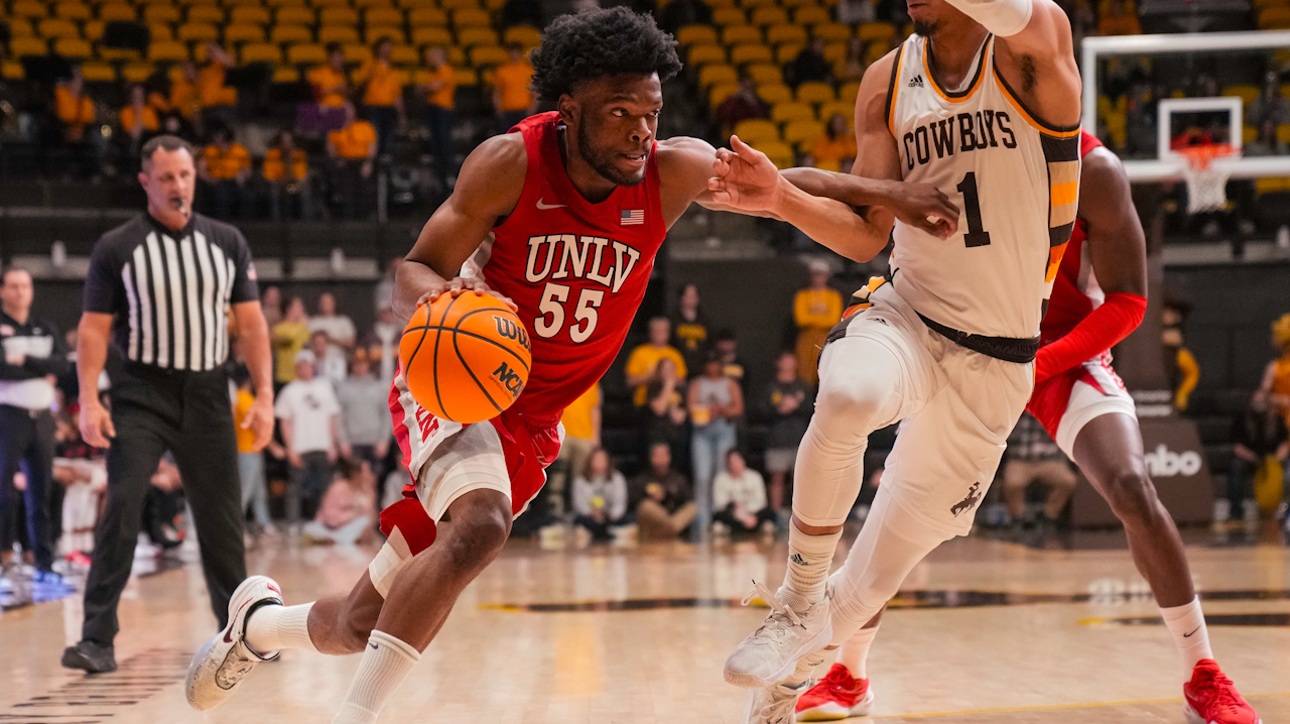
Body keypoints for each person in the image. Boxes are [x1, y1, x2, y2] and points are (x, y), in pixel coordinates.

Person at [184, 9, 941, 723]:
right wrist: (455, 306)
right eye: (620, 113)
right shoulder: (510, 163)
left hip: (534, 418)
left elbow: (786, 183)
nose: (641, 132)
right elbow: (413, 267)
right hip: (457, 379)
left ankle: (258, 625)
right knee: (479, 528)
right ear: (570, 106)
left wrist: (893, 195)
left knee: (356, 622)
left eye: (651, 114)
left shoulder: (669, 171)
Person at [799, 135, 1263, 723]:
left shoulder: (1093, 168)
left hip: (1054, 353)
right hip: (960, 340)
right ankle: (850, 673)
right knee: (894, 506)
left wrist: (1040, 364)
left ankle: (1203, 670)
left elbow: (1128, 301)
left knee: (1131, 485)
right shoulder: (959, 140)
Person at [716, 0, 1091, 715]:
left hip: (999, 358)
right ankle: (795, 601)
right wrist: (782, 199)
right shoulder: (887, 80)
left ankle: (791, 681)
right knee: (851, 391)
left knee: (869, 585)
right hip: (910, 314)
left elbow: (1027, 18)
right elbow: (864, 236)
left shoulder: (1032, 45)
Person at [65, 135, 275, 674]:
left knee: (221, 520)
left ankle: (241, 634)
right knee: (123, 503)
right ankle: (96, 638)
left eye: (184, 175)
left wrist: (266, 396)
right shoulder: (118, 246)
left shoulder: (227, 241)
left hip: (208, 392)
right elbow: (92, 330)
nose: (177, 185)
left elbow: (251, 325)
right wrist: (89, 400)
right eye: (165, 178)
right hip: (140, 393)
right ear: (145, 183)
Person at [0, 267, 71, 589]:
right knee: (3, 491)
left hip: (41, 418)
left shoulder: (45, 326)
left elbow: (62, 366)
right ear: (3, 291)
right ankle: (4, 558)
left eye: (25, 286)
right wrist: (41, 369)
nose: (19, 292)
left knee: (41, 493)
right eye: (13, 286)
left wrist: (23, 359)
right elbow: (3, 369)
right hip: (8, 415)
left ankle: (43, 561)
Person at [275, 349, 345, 527]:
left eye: (308, 365)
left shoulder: (324, 386)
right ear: (296, 368)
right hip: (300, 446)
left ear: (313, 367)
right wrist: (290, 448)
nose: (305, 369)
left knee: (325, 487)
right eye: (301, 365)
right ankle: (293, 524)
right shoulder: (289, 390)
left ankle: (324, 521)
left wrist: (333, 444)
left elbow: (331, 418)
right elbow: (285, 422)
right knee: (295, 488)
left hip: (322, 444)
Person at [688, 350, 743, 540]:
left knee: (721, 474)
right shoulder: (697, 383)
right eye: (709, 363)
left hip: (723, 430)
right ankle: (702, 520)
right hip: (702, 432)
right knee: (702, 476)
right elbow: (691, 407)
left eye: (715, 363)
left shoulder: (730, 383)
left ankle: (720, 518)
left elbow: (738, 408)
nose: (712, 367)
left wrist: (721, 409)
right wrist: (706, 411)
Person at [1001, 412, 1076, 535]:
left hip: (1049, 461)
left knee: (1068, 481)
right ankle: (1017, 518)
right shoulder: (1017, 411)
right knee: (1012, 483)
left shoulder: (1055, 412)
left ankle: (1048, 516)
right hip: (1020, 460)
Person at [1225, 392, 1287, 529]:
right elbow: (1236, 446)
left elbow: (1285, 443)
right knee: (1236, 467)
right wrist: (1252, 457)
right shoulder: (1241, 419)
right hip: (1250, 459)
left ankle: (1285, 510)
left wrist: (1276, 459)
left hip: (1272, 460)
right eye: (1256, 401)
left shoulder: (1277, 419)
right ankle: (1236, 511)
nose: (1259, 405)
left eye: (1262, 401)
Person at [764, 351, 811, 513]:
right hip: (778, 437)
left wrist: (795, 406)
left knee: (799, 479)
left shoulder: (803, 386)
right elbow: (761, 409)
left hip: (800, 437)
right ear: (778, 363)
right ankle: (776, 514)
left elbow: (814, 408)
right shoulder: (771, 386)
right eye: (785, 360)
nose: (789, 363)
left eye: (792, 360)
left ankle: (800, 514)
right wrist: (779, 408)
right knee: (777, 477)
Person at [336, 349, 392, 472]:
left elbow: (386, 415)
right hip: (352, 442)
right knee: (353, 478)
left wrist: (384, 440)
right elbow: (339, 417)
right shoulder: (344, 388)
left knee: (373, 479)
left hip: (374, 441)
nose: (360, 367)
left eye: (363, 363)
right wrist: (343, 441)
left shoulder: (379, 387)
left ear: (368, 365)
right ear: (352, 365)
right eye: (357, 363)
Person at [233, 369, 273, 536]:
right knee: (244, 492)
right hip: (246, 452)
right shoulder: (244, 399)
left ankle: (264, 524)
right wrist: (273, 446)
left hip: (253, 451)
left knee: (259, 492)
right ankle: (235, 527)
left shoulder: (238, 398)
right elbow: (256, 425)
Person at [552, 383, 601, 517]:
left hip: (585, 435)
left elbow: (595, 408)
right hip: (562, 433)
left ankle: (579, 513)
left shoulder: (593, 378)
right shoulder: (564, 372)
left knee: (580, 479)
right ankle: (554, 512)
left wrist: (596, 437)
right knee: (557, 476)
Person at [302, 458, 376, 546]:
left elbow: (372, 516)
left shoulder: (366, 489)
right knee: (309, 528)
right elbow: (330, 517)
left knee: (365, 521)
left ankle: (338, 539)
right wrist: (353, 513)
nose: (370, 475)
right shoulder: (338, 487)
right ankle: (339, 539)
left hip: (350, 528)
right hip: (329, 527)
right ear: (356, 474)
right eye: (367, 471)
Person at [631, 442, 696, 541]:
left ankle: (667, 530)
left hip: (673, 515)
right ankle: (671, 529)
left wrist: (667, 496)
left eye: (663, 455)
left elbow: (687, 499)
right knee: (646, 505)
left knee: (693, 508)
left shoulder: (678, 479)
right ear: (652, 458)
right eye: (657, 455)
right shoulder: (643, 479)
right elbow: (634, 502)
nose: (661, 459)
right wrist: (651, 497)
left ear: (669, 457)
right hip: (651, 523)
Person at [792, 260, 842, 386]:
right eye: (816, 274)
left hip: (826, 338)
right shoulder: (802, 295)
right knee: (804, 373)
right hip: (806, 338)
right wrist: (822, 320)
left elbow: (834, 320)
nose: (818, 278)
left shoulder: (834, 296)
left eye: (821, 275)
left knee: (827, 372)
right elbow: (801, 319)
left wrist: (812, 319)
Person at [327, 103, 379, 219]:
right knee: (344, 185)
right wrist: (337, 159)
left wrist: (368, 163)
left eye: (349, 110)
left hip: (362, 161)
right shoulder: (335, 128)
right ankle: (346, 216)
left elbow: (372, 147)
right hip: (344, 162)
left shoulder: (365, 126)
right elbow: (331, 148)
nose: (346, 113)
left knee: (365, 185)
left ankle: (364, 217)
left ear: (354, 112)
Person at [355, 39, 405, 157]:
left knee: (387, 140)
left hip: (389, 109)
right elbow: (359, 84)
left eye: (390, 47)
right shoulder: (370, 65)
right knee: (374, 139)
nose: (388, 50)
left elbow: (397, 95)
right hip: (373, 108)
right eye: (385, 46)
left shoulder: (394, 71)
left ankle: (384, 166)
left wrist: (401, 114)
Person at [418, 46, 458, 191]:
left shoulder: (446, 71)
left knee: (444, 142)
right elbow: (425, 88)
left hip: (443, 111)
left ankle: (448, 174)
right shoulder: (433, 73)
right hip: (433, 110)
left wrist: (425, 88)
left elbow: (433, 88)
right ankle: (439, 175)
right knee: (436, 143)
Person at [625, 317, 687, 406]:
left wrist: (666, 379)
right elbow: (630, 381)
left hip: (669, 403)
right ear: (650, 332)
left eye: (663, 331)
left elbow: (681, 380)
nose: (660, 334)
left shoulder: (675, 354)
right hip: (643, 403)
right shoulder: (639, 352)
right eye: (656, 331)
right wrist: (654, 376)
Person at [571, 447, 628, 542]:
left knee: (625, 519)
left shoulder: (617, 478)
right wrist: (592, 513)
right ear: (590, 461)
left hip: (610, 517)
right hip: (589, 517)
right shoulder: (580, 480)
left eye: (602, 459)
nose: (599, 462)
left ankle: (609, 531)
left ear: (608, 462)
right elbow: (579, 505)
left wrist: (609, 514)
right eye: (596, 459)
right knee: (580, 520)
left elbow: (620, 503)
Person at [713, 449, 776, 535]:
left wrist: (747, 513)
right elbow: (720, 503)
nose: (735, 465)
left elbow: (761, 501)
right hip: (732, 515)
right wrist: (740, 514)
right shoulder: (721, 479)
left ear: (743, 461)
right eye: (732, 462)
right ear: (727, 464)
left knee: (770, 513)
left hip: (753, 515)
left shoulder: (755, 477)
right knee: (718, 517)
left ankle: (760, 527)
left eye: (737, 461)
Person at [199, 126, 253, 220]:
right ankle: (221, 224)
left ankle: (245, 224)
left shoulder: (240, 150)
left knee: (247, 197)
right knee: (221, 197)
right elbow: (201, 170)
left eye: (224, 141)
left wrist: (242, 176)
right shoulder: (210, 151)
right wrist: (209, 179)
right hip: (217, 182)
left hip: (235, 182)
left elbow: (247, 170)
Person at [642, 357, 688, 457]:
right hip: (658, 433)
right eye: (665, 369)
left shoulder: (682, 388)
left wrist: (681, 413)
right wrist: (668, 385)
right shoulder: (653, 387)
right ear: (659, 371)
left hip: (677, 433)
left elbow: (685, 410)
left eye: (671, 369)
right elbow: (659, 409)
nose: (669, 372)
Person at [263, 131, 312, 221]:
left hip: (293, 186)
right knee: (274, 191)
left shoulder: (299, 155)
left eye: (289, 142)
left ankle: (306, 222)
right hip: (279, 186)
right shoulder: (272, 154)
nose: (286, 145)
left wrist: (291, 161)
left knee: (305, 190)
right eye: (283, 142)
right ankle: (276, 222)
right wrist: (279, 180)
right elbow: (269, 176)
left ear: (293, 143)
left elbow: (301, 176)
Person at [309, 292, 356, 376]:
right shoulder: (313, 322)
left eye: (328, 302)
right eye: (323, 302)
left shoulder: (343, 321)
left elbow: (351, 343)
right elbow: (308, 344)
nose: (325, 305)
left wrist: (332, 339)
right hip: (317, 366)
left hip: (338, 364)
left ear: (334, 303)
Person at [492, 43, 536, 132]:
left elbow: (535, 92)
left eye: (516, 52)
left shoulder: (528, 70)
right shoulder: (501, 71)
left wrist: (532, 109)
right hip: (507, 111)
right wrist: (498, 109)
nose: (514, 55)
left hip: (524, 110)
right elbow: (497, 92)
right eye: (512, 52)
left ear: (520, 53)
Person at [307, 44, 351, 130]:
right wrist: (336, 89)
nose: (339, 62)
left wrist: (344, 90)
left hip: (341, 108)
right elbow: (316, 94)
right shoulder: (319, 73)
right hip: (325, 108)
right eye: (337, 59)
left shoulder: (342, 75)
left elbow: (346, 96)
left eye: (341, 60)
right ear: (330, 59)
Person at [197, 42, 238, 131]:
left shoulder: (225, 65)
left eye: (211, 50)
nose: (208, 52)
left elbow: (231, 62)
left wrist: (215, 50)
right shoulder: (207, 70)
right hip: (207, 110)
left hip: (223, 109)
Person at [715, 72, 770, 137]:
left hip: (757, 131)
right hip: (738, 133)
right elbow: (722, 114)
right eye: (745, 85)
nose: (748, 86)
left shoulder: (759, 101)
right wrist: (735, 96)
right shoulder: (733, 101)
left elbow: (765, 115)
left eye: (750, 85)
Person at [272, 297, 311, 387]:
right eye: (298, 306)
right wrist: (303, 325)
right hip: (285, 377)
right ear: (289, 309)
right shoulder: (279, 329)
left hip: (301, 378)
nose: (302, 309)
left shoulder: (303, 328)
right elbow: (290, 338)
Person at [671, 283, 708, 373]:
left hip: (700, 367)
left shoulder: (704, 320)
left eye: (694, 296)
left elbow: (709, 343)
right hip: (678, 366)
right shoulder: (673, 319)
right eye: (688, 296)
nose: (691, 299)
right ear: (681, 297)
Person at [119, 84, 160, 151]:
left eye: (140, 94)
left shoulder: (150, 110)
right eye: (135, 95)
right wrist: (138, 112)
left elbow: (153, 131)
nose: (138, 97)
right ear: (131, 96)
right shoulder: (126, 111)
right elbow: (134, 133)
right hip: (132, 145)